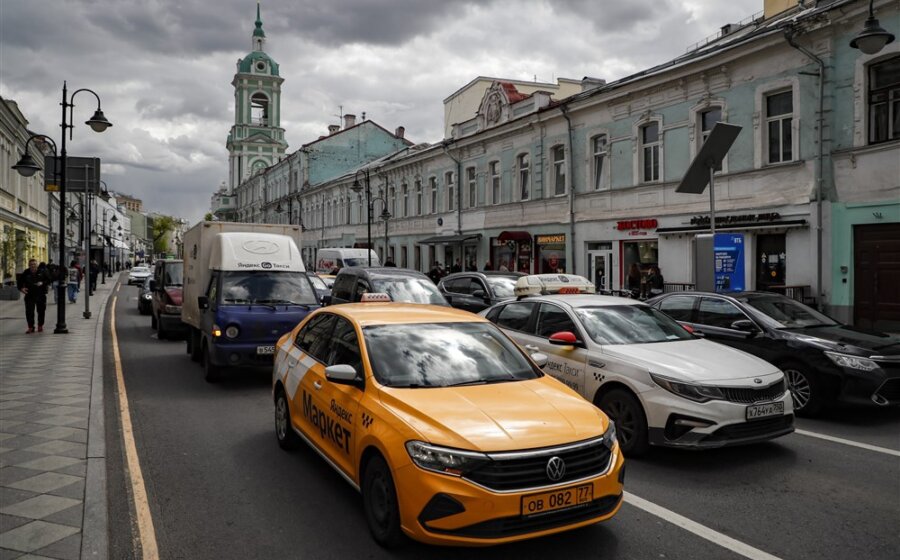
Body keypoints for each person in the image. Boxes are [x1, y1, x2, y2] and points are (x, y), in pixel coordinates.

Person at [17, 259, 51, 333]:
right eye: (31, 264)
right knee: (29, 312)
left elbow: (49, 280)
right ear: (29, 265)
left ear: (37, 265)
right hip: (29, 295)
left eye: (34, 264)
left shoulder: (42, 272)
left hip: (40, 294)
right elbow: (19, 282)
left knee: (41, 311)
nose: (33, 266)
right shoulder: (26, 272)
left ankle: (40, 325)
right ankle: (31, 327)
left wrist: (42, 283)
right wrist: (21, 289)